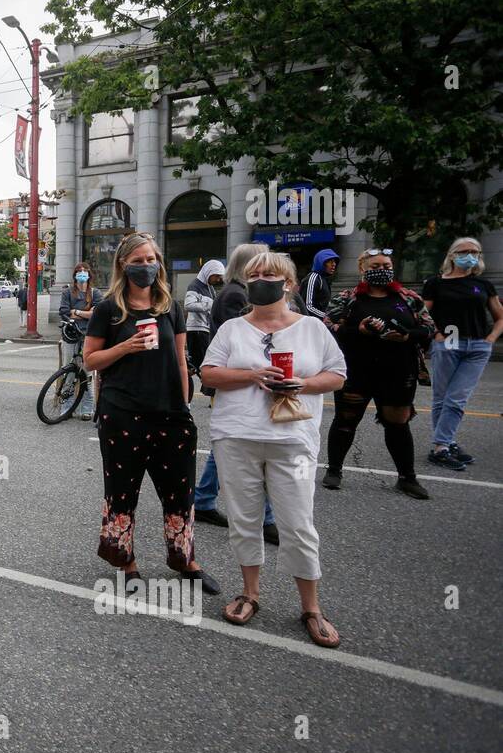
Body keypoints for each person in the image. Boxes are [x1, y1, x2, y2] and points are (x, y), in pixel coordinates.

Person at [199, 252, 346, 647]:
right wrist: (252, 375)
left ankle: (311, 607)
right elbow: (208, 373)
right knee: (244, 520)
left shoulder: (313, 329)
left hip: (292, 440)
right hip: (237, 437)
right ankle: (250, 594)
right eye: (254, 275)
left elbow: (337, 375)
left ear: (289, 284)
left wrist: (300, 383)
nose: (261, 279)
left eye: (269, 274)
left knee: (297, 523)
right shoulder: (232, 328)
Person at [83, 233, 219, 595]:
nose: (146, 266)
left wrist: (185, 407)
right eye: (138, 260)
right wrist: (126, 346)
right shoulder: (109, 308)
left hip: (170, 413)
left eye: (151, 259)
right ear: (124, 265)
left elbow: (179, 359)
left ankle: (185, 560)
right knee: (122, 491)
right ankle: (126, 562)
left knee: (179, 491)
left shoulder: (170, 306)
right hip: (122, 412)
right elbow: (90, 360)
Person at [323, 248, 437, 498]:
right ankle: (334, 471)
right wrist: (358, 330)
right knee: (345, 421)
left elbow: (429, 329)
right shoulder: (347, 297)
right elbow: (328, 327)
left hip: (398, 371)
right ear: (362, 269)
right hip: (356, 370)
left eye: (386, 265)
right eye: (374, 266)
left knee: (398, 424)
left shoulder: (409, 298)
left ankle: (407, 478)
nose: (381, 270)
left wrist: (407, 334)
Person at [193, 243, 278, 545]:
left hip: (245, 382)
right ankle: (266, 519)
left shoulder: (236, 292)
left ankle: (202, 499)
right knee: (251, 448)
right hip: (237, 381)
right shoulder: (236, 295)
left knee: (229, 446)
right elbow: (240, 342)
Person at [422, 237, 502, 469]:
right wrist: (436, 333)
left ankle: (442, 445)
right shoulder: (435, 283)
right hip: (448, 343)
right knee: (442, 397)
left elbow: (500, 316)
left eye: (475, 252)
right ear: (452, 255)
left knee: (457, 398)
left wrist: (490, 339)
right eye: (465, 251)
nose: (470, 255)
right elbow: (423, 313)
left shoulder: (483, 284)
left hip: (477, 346)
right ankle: (445, 445)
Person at [59, 261, 104, 420]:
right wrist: (87, 313)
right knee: (69, 372)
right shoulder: (67, 292)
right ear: (75, 275)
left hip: (89, 336)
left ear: (89, 274)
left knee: (87, 372)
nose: (82, 273)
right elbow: (64, 312)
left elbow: (98, 314)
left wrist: (76, 311)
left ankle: (87, 408)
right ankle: (66, 406)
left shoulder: (95, 293)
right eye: (79, 271)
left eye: (85, 271)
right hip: (71, 335)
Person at [183, 259, 225, 372]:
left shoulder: (210, 287)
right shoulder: (195, 286)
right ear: (209, 272)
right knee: (202, 363)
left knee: (203, 362)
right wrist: (209, 304)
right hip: (197, 329)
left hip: (205, 329)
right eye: (216, 276)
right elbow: (188, 305)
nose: (218, 279)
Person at [302, 248, 340, 329]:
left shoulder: (324, 279)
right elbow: (308, 306)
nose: (334, 264)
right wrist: (325, 316)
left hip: (318, 324)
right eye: (330, 261)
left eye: (334, 261)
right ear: (321, 263)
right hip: (310, 325)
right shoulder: (313, 278)